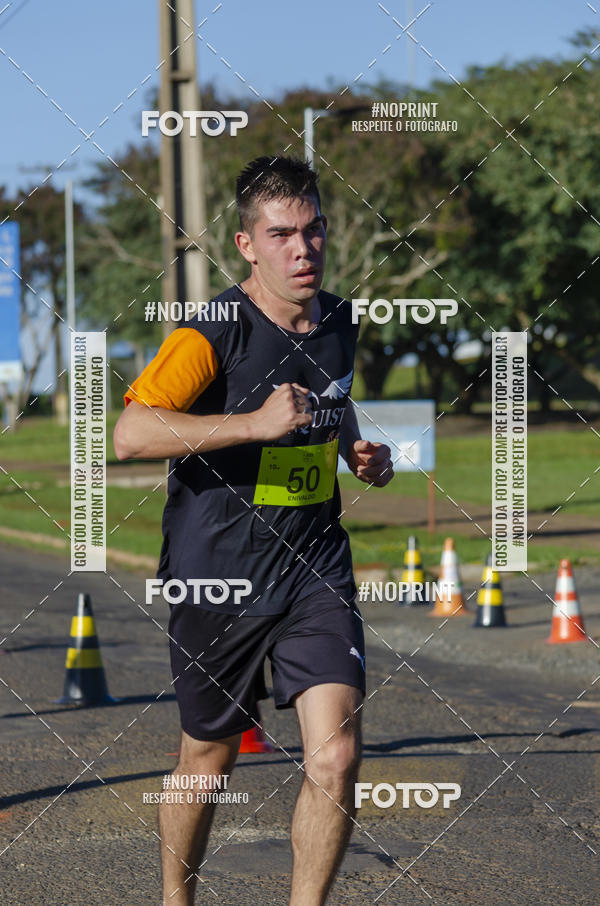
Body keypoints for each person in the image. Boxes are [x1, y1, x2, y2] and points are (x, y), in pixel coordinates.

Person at [113, 155, 393, 905]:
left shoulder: (339, 319)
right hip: (220, 571)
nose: (301, 250)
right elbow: (130, 434)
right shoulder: (211, 331)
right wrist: (253, 424)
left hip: (314, 566)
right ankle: (178, 899)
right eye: (280, 235)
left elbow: (330, 398)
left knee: (334, 755)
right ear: (246, 245)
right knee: (208, 758)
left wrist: (356, 450)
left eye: (312, 231)